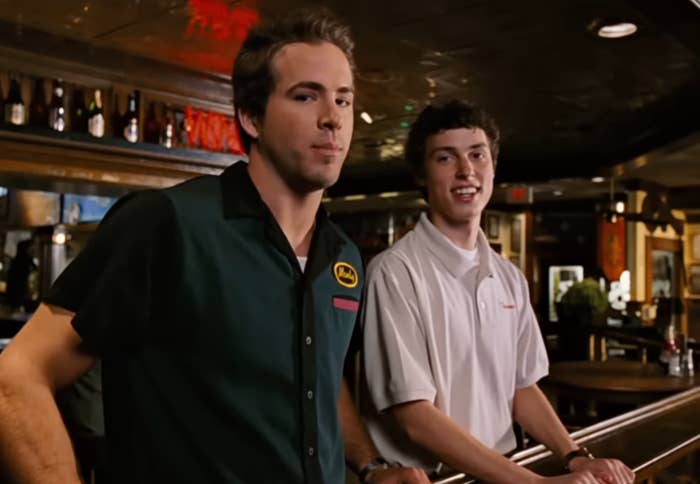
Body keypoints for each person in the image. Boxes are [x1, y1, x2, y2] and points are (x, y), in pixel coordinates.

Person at [0, 9, 428, 484]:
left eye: (343, 99)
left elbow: (319, 381)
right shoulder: (166, 225)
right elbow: (17, 377)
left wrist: (370, 466)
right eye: (306, 96)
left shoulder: (343, 255)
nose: (332, 119)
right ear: (251, 117)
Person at [360, 100, 635, 483]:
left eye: (477, 155)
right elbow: (414, 417)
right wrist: (535, 483)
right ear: (421, 175)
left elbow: (521, 386)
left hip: (505, 472)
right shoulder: (394, 273)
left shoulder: (509, 277)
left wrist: (574, 457)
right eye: (445, 158)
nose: (466, 171)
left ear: (493, 167)